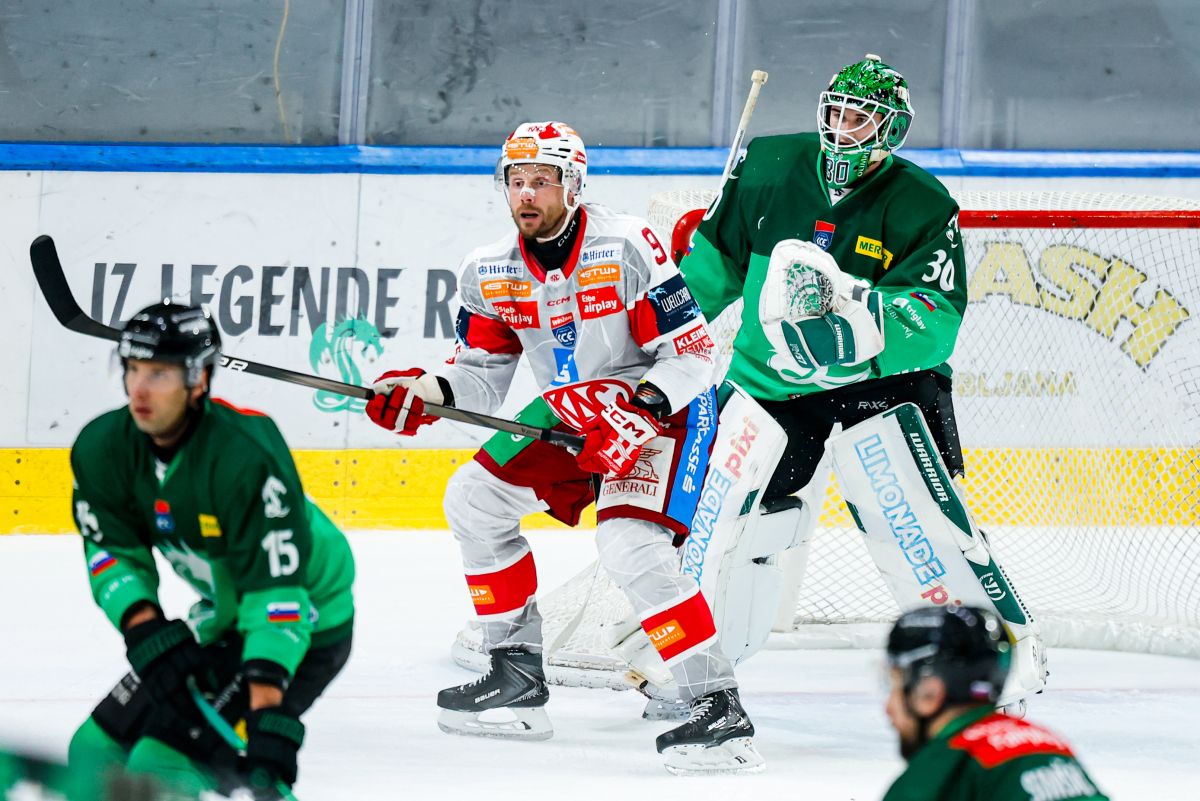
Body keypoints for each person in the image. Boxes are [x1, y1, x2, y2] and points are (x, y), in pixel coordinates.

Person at [365, 121, 762, 775]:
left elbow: (692, 355)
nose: (526, 193)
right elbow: (478, 377)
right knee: (473, 498)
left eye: (542, 180)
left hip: (665, 409)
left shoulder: (626, 246)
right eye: (516, 180)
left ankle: (717, 706)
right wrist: (422, 392)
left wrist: (640, 412)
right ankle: (515, 674)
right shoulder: (489, 270)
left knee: (629, 545)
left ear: (573, 185)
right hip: (575, 413)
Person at [675, 54, 1047, 706]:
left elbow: (937, 316)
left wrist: (863, 328)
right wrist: (654, 335)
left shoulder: (923, 202)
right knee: (720, 518)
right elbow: (711, 271)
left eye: (860, 118)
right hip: (770, 383)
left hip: (881, 390)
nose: (842, 127)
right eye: (836, 112)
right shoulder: (768, 164)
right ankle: (695, 665)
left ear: (891, 129)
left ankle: (997, 670)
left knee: (919, 529)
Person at [66, 301, 355, 799]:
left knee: (163, 764)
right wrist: (146, 631)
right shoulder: (104, 448)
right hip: (223, 615)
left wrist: (266, 713)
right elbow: (112, 553)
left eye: (159, 373)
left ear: (198, 379)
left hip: (306, 622)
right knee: (94, 752)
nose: (139, 389)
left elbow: (277, 597)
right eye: (132, 369)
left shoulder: (245, 454)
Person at [882, 605, 1108, 801]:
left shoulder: (941, 772)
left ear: (929, 693)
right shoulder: (1048, 744)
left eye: (895, 687)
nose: (888, 708)